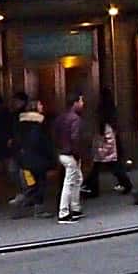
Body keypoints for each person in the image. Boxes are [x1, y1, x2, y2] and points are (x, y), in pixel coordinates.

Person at [10, 98, 53, 218]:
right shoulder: (39, 123)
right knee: (40, 184)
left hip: (24, 159)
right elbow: (42, 141)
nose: (42, 106)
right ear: (35, 107)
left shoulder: (20, 122)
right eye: (40, 104)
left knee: (31, 184)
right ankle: (37, 209)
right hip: (38, 158)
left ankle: (20, 203)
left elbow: (16, 141)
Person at [54, 94, 88, 223]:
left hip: (62, 153)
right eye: (81, 100)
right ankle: (64, 213)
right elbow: (75, 139)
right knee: (69, 182)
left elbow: (55, 135)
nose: (82, 103)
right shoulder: (75, 119)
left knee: (77, 179)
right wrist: (77, 154)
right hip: (70, 154)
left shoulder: (60, 118)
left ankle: (75, 208)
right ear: (75, 103)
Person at [90, 92, 131, 195]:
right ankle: (126, 184)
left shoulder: (102, 115)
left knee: (99, 166)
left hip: (106, 144)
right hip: (110, 143)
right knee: (113, 166)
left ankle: (92, 187)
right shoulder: (112, 113)